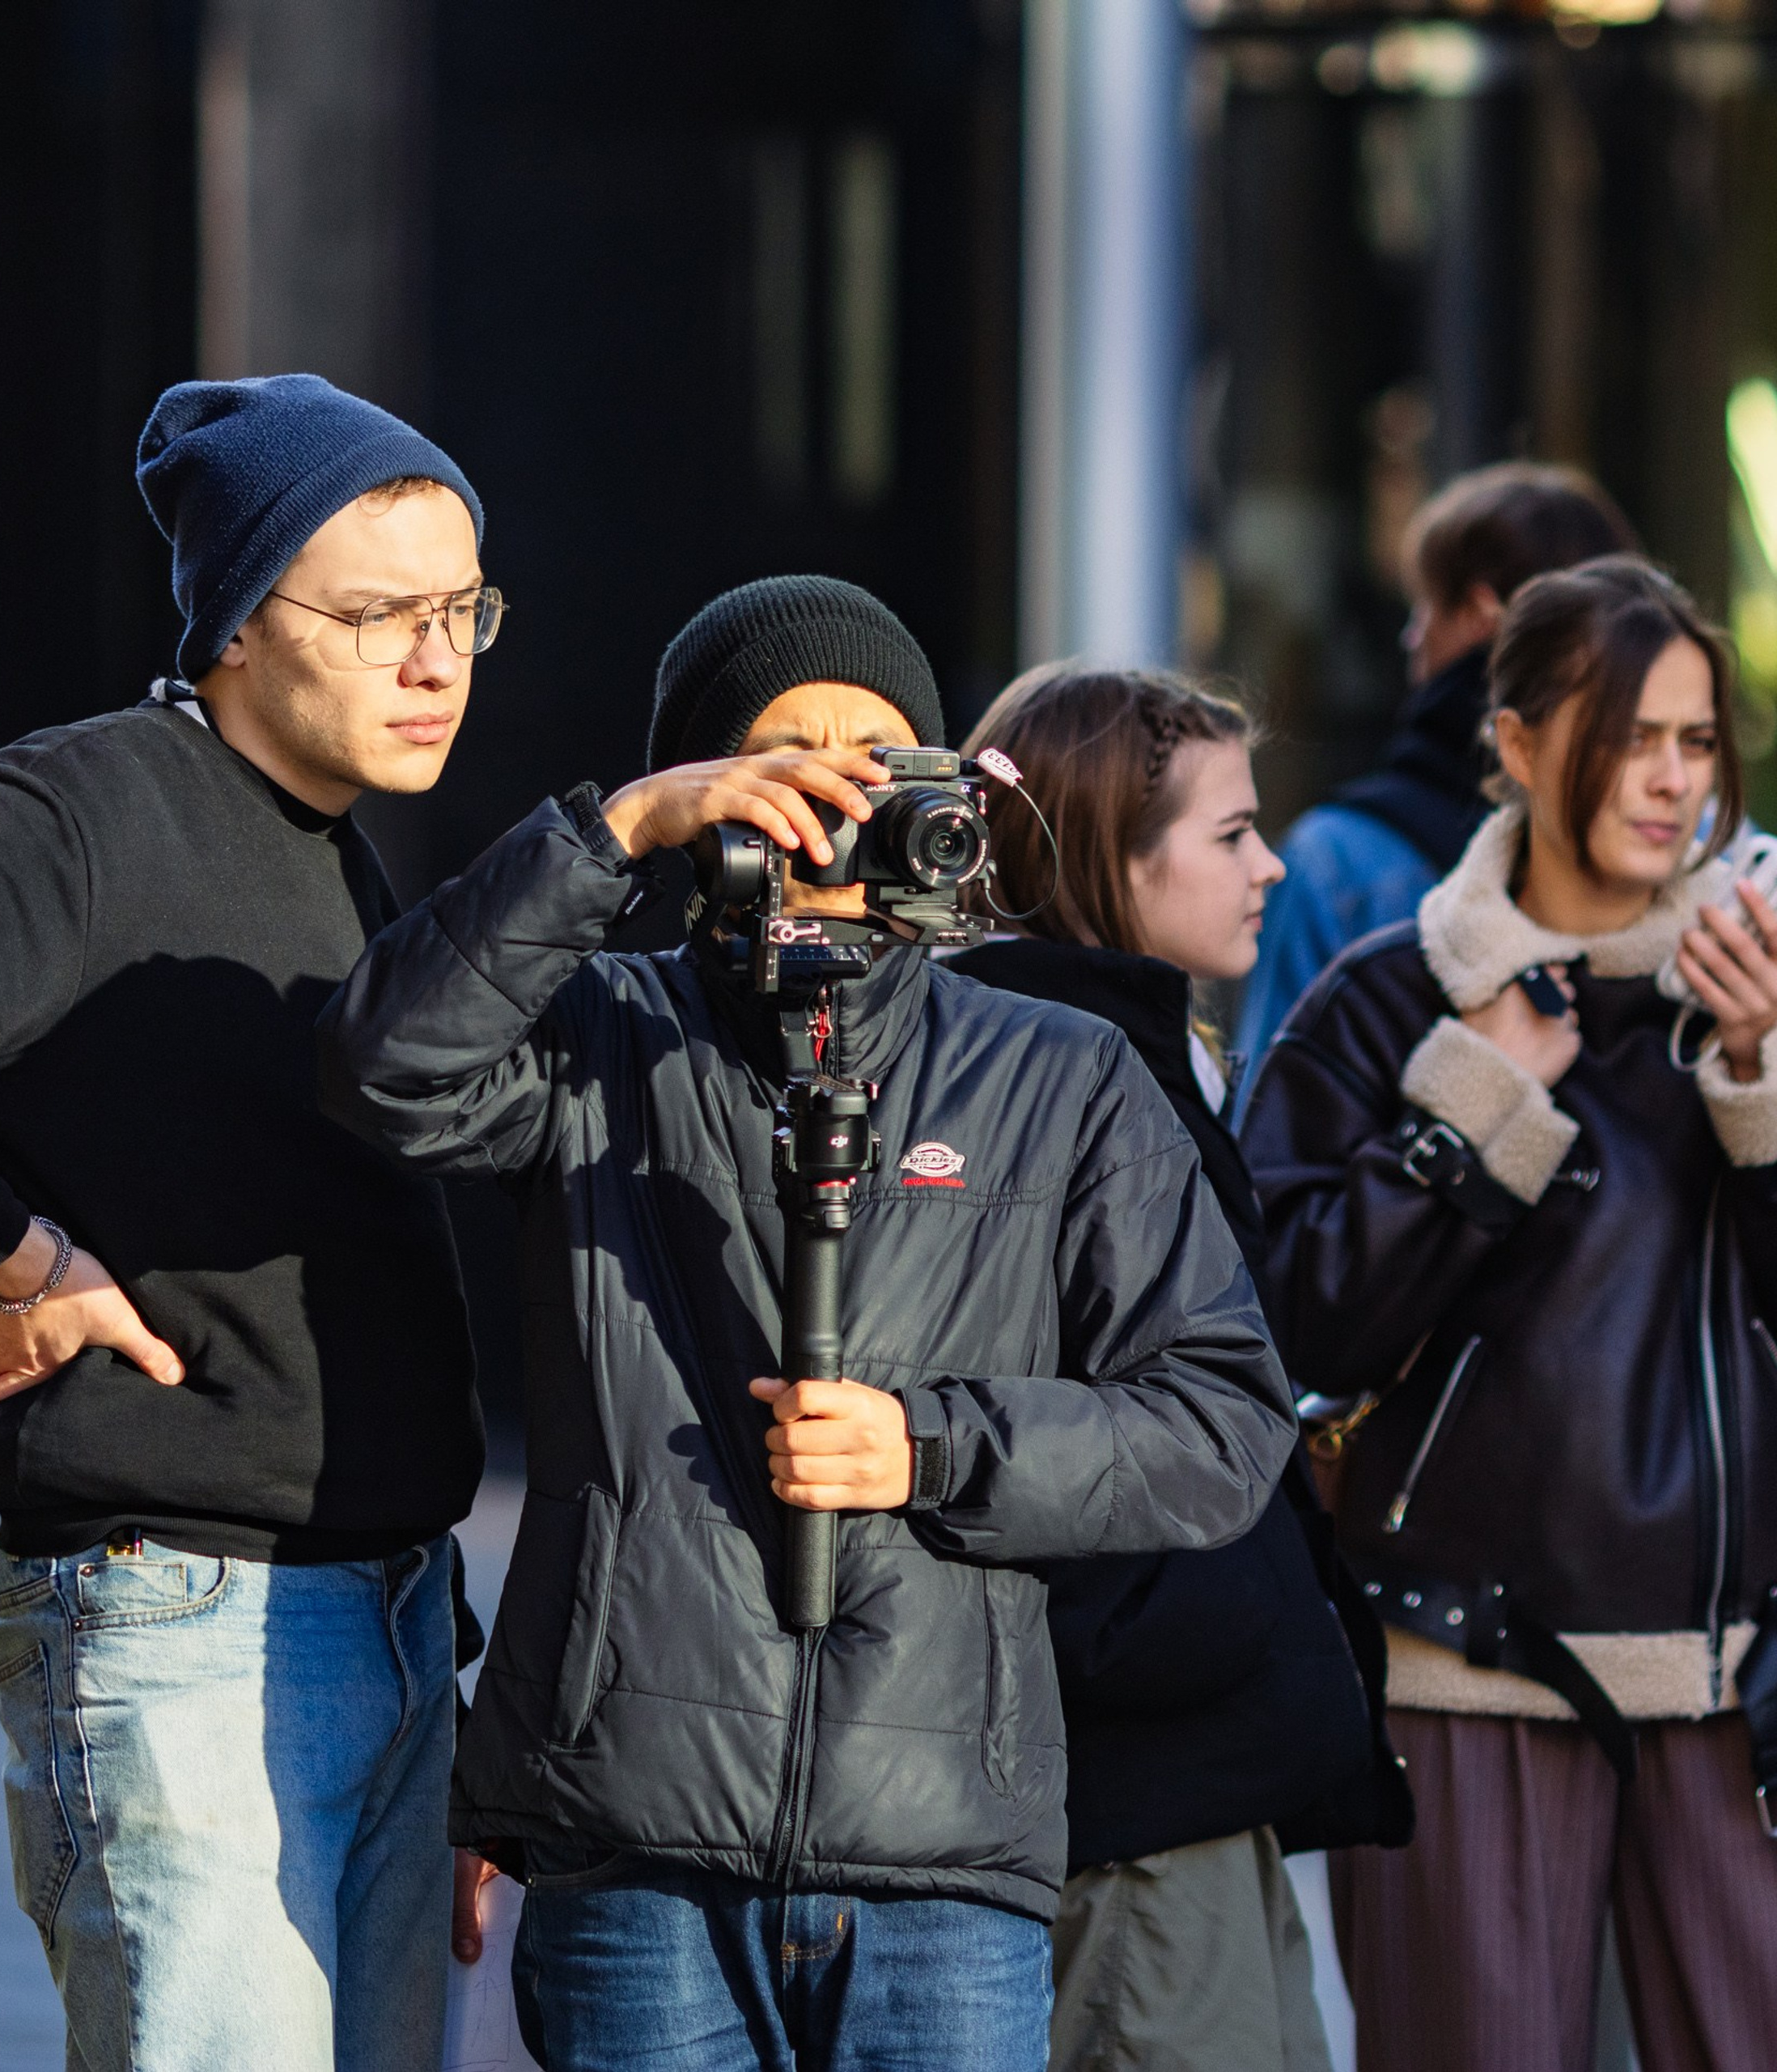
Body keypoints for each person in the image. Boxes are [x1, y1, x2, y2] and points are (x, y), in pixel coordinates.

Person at [317, 575, 1299, 2072]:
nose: (833, 814)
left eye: (878, 764)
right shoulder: (599, 1035)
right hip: (635, 1840)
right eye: (787, 768)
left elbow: (1223, 1426)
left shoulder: (1063, 1073)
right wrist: (613, 832)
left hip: (945, 1867)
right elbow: (384, 1065)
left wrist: (931, 1448)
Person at [0, 373, 494, 2072]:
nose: (434, 661)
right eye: (376, 615)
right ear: (233, 620)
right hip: (188, 1624)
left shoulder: (331, 846)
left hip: (387, 1613)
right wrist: (11, 1244)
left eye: (460, 609)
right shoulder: (84, 810)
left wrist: (453, 1670)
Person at [1241, 555, 1777, 2072]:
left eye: (1696, 741)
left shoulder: (1758, 990)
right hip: (1460, 1665)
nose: (1672, 781)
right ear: (1523, 739)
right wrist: (1470, 1110)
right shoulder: (1383, 1001)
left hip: (1739, 1679)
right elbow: (1295, 1328)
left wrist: (1760, 1079)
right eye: (1628, 734)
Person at [951, 667, 1410, 2072]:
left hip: (1196, 1764)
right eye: (1230, 834)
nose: (1273, 863)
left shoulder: (1140, 1056)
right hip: (1138, 1781)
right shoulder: (1048, 1081)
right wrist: (1184, 1617)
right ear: (1106, 851)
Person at [1236, 462, 1639, 1067]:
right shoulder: (1697, 844)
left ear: (1480, 612)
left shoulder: (1339, 861)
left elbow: (1273, 1128)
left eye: (1424, 608)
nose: (1410, 637)